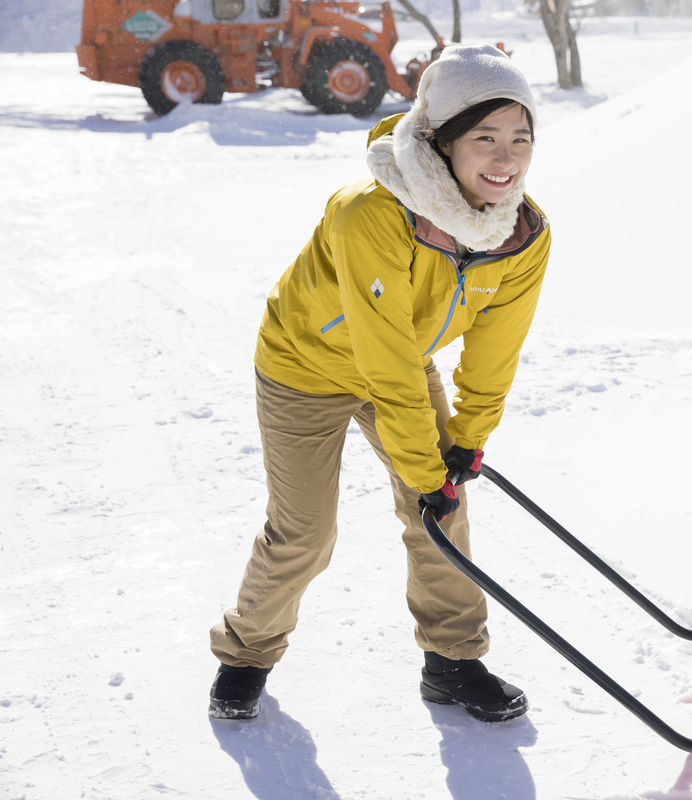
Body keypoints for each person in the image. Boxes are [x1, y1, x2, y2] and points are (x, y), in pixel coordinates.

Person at [207, 44, 549, 724]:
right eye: (485, 137)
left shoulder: (520, 234)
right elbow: (384, 357)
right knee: (305, 533)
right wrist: (425, 469)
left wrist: (468, 441)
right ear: (440, 138)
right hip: (305, 365)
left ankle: (452, 661)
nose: (506, 157)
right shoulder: (369, 212)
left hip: (400, 359)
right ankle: (245, 654)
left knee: (442, 513)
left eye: (521, 137)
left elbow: (494, 352)